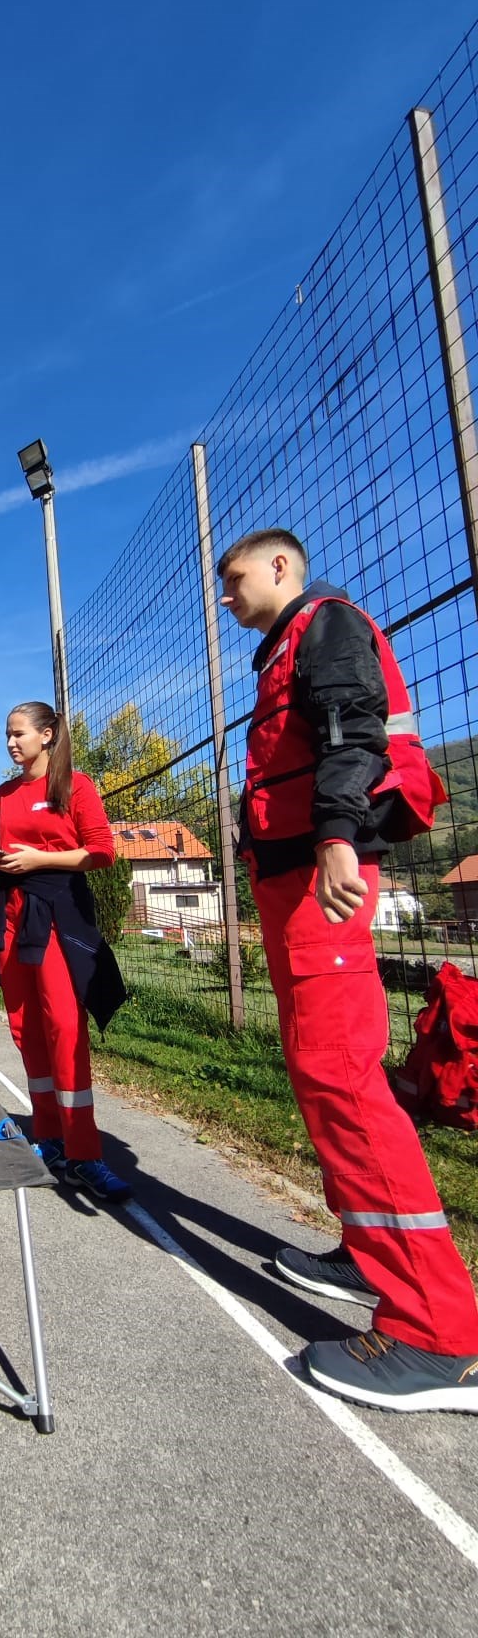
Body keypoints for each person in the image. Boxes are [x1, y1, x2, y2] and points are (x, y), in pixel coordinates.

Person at [219, 526, 478, 1411]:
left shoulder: (326, 624)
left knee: (344, 1076)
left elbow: (350, 732)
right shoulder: (279, 649)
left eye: (235, 576)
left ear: (282, 567)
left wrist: (334, 835)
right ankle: (367, 1251)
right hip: (291, 883)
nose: (225, 593)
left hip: (323, 878)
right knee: (316, 1073)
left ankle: (439, 1334)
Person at [0, 701, 129, 1202]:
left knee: (64, 1025)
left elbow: (102, 849)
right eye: (6, 734)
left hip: (57, 912)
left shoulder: (75, 786)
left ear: (46, 735)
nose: (10, 742)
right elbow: (4, 850)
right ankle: (49, 1139)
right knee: (25, 1028)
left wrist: (40, 858)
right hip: (11, 915)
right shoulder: (1, 794)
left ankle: (85, 1153)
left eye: (18, 733)